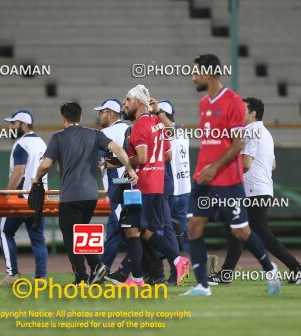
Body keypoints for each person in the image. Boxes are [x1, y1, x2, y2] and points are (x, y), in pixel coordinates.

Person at [181, 54, 281, 296]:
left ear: (209, 73)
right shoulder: (204, 104)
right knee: (194, 226)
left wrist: (215, 166)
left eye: (195, 72)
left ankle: (270, 269)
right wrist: (202, 170)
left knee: (241, 231)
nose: (193, 77)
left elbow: (238, 143)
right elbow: (208, 144)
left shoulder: (234, 102)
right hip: (203, 177)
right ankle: (202, 286)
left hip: (227, 178)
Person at [207, 97, 301, 285]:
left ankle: (297, 268)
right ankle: (226, 274)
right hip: (258, 189)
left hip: (253, 190)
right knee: (238, 232)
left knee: (260, 233)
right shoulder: (265, 132)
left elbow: (246, 164)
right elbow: (273, 164)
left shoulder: (251, 132)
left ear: (252, 113)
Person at [33, 101, 138, 285]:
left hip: (70, 196)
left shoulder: (58, 137)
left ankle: (82, 275)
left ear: (63, 118)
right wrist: (129, 169)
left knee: (70, 236)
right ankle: (96, 267)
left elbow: (46, 165)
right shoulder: (95, 134)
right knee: (81, 232)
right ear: (79, 117)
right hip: (91, 195)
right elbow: (119, 150)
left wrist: (36, 178)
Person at [108, 85, 188, 287]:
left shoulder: (140, 126)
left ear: (137, 102)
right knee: (142, 231)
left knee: (130, 229)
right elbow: (168, 154)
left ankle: (139, 277)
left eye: (127, 100)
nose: (124, 104)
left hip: (142, 186)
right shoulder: (157, 123)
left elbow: (141, 158)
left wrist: (123, 161)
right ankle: (174, 262)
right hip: (156, 185)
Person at [0, 110, 48, 285]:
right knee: (38, 238)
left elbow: (19, 172)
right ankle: (41, 278)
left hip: (22, 198)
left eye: (13, 123)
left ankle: (12, 274)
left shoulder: (22, 143)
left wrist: (7, 194)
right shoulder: (41, 143)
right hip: (39, 198)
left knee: (5, 231)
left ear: (24, 125)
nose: (10, 127)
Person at [156, 100, 191, 285]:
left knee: (166, 234)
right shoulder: (182, 131)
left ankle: (166, 272)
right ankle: (180, 271)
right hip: (184, 191)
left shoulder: (169, 131)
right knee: (179, 236)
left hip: (173, 190)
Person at [94, 99, 129, 269]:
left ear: (111, 113)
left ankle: (138, 266)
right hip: (132, 182)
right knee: (115, 228)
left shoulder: (107, 132)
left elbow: (100, 162)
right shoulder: (129, 128)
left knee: (126, 227)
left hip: (117, 185)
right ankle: (103, 267)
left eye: (102, 112)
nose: (99, 115)